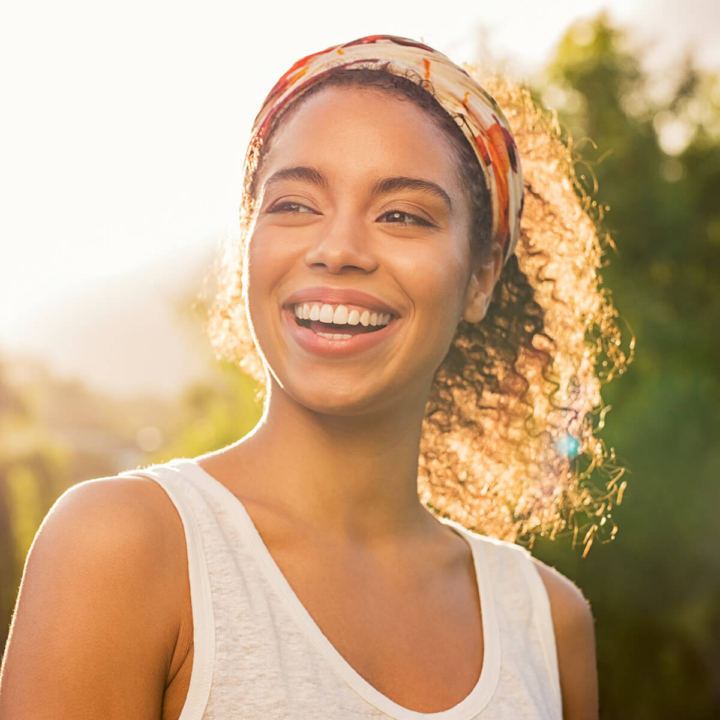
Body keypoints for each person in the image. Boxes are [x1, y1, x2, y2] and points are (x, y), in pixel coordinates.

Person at [0, 34, 624, 719]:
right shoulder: (122, 548)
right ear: (249, 241)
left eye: (402, 215)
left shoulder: (547, 625)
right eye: (295, 204)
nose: (338, 250)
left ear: (481, 275)